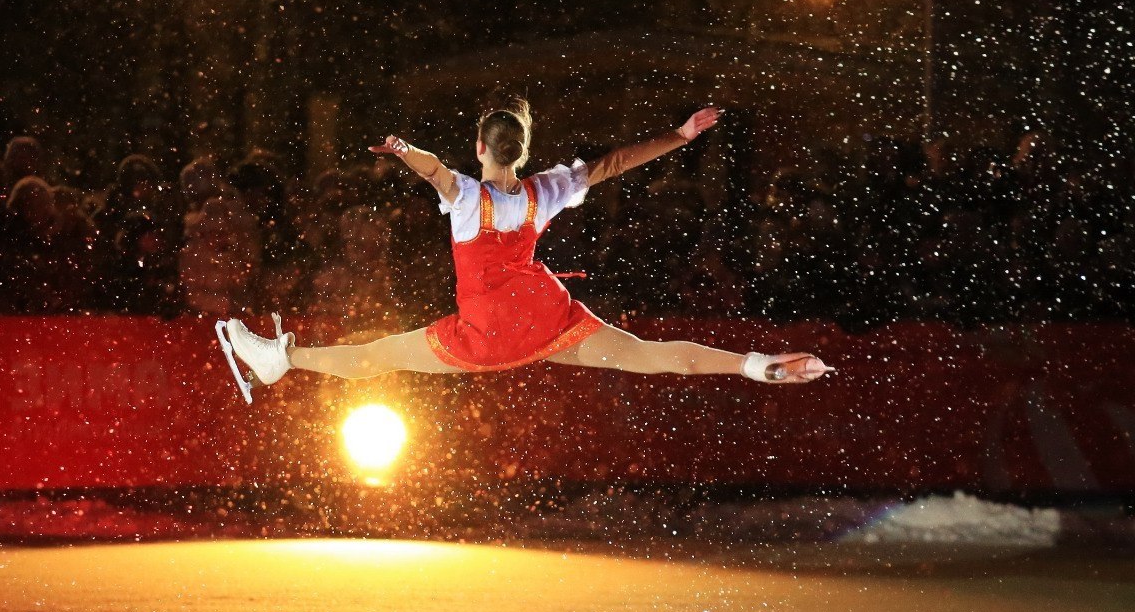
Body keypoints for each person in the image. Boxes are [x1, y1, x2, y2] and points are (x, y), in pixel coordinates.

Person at [217, 99, 829, 403]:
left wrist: (404, 150)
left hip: (485, 332)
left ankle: (283, 360)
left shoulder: (464, 199)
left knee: (379, 356)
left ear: (479, 146)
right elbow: (614, 163)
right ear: (524, 149)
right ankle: (757, 365)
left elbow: (436, 173)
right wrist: (681, 135)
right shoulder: (547, 190)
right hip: (546, 318)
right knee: (649, 358)